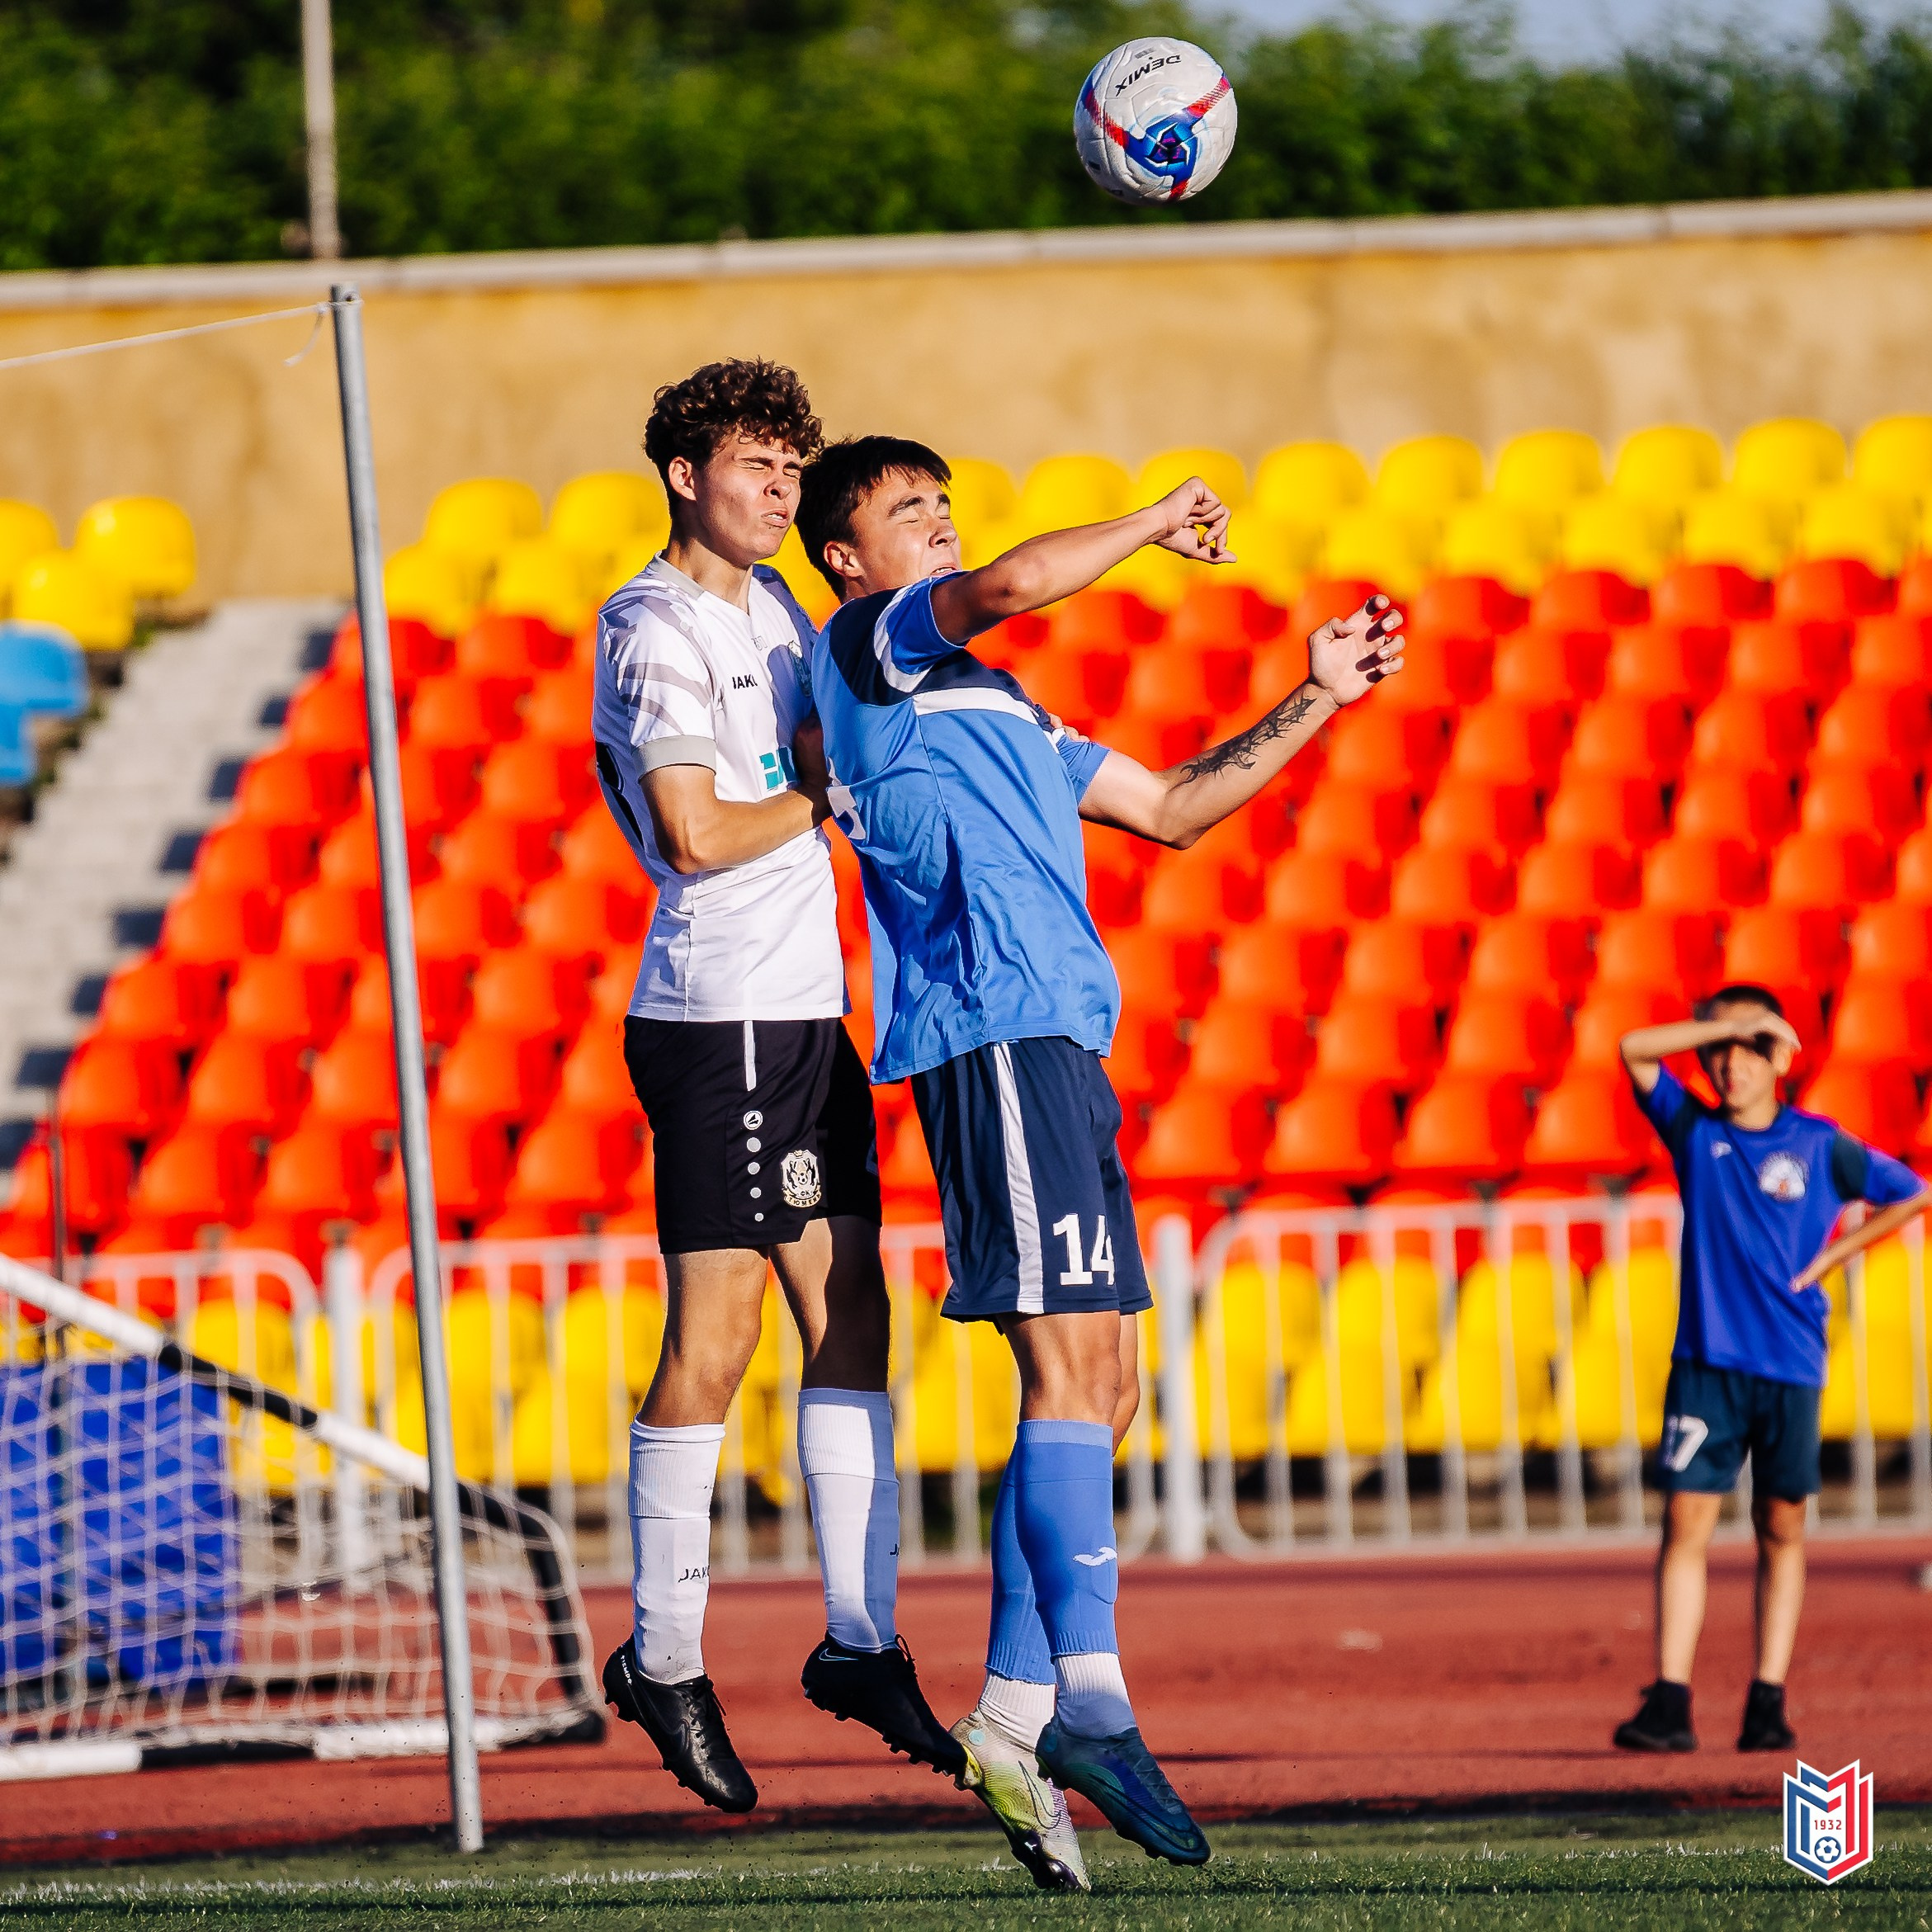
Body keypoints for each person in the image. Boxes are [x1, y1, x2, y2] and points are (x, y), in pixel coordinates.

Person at [796, 436, 1402, 1884]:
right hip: (990, 1039)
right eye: (906, 514)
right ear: (845, 556)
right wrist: (1151, 518)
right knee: (1070, 1374)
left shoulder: (1000, 707)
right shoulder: (872, 647)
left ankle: (1013, 1713)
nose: (937, 529)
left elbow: (1180, 811)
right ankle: (1092, 1706)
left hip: (1056, 1043)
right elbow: (1009, 582)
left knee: (1107, 1385)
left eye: (944, 506)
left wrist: (1318, 694)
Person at [590, 365, 964, 1813]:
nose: (778, 492)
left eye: (793, 471)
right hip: (721, 1015)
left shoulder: (778, 615)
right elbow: (690, 830)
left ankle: (860, 1638)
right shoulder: (655, 624)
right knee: (723, 1328)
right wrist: (828, 799)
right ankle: (666, 1653)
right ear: (686, 473)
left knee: (853, 1309)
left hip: (806, 1016)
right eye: (755, 464)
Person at [1614, 985, 1928, 1754]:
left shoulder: (1819, 1144)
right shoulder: (1692, 1132)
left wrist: (1834, 1254)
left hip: (1789, 1365)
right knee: (1685, 1522)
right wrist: (1729, 1025)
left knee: (1780, 1526)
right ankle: (1671, 1698)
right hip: (1705, 1364)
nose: (1726, 1064)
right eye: (1715, 1049)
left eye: (1746, 1047)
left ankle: (1766, 1696)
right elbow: (1631, 1048)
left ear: (1778, 1058)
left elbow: (1911, 1194)